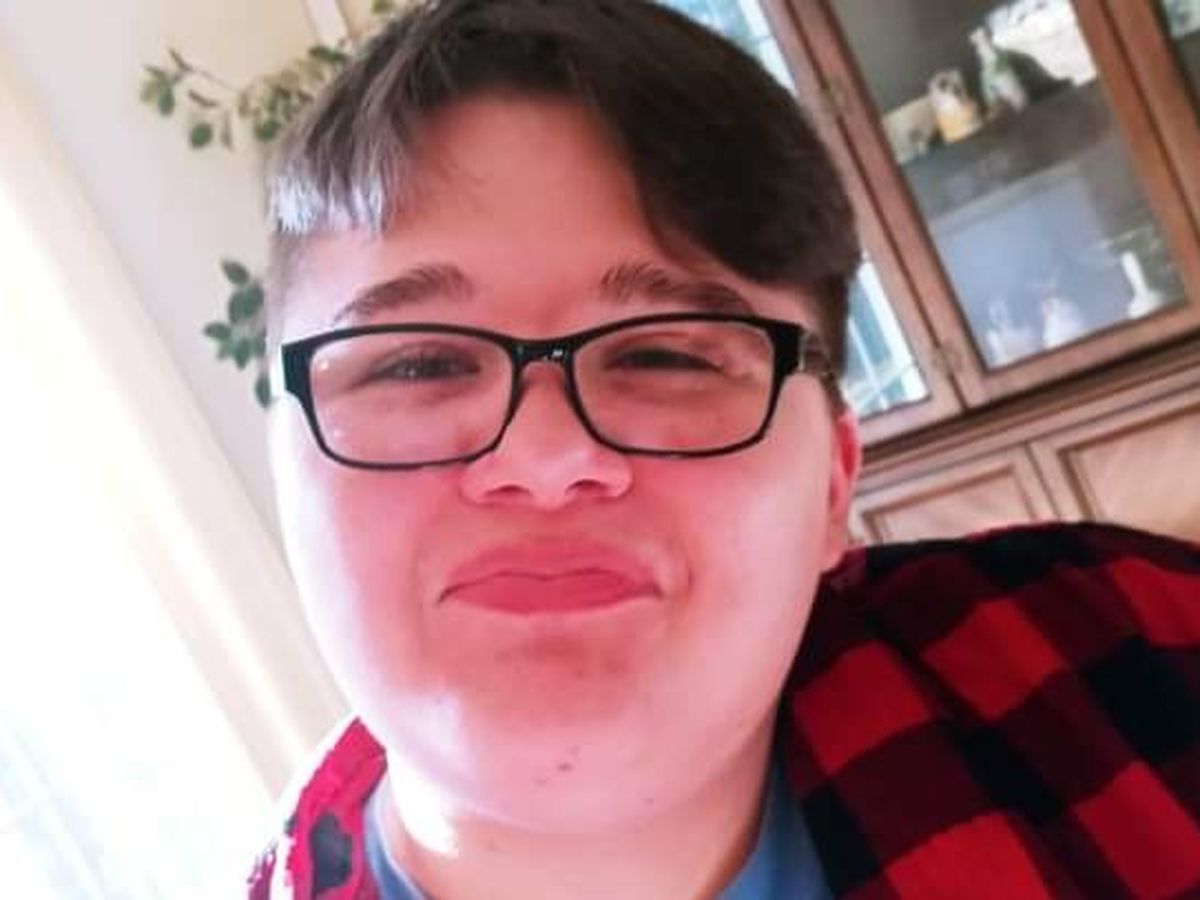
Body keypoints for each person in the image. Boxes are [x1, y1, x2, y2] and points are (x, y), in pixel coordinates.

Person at [249, 1, 1200, 897]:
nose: (545, 460)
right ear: (284, 465)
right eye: (416, 365)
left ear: (832, 485)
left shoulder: (1147, 660)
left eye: (664, 356)